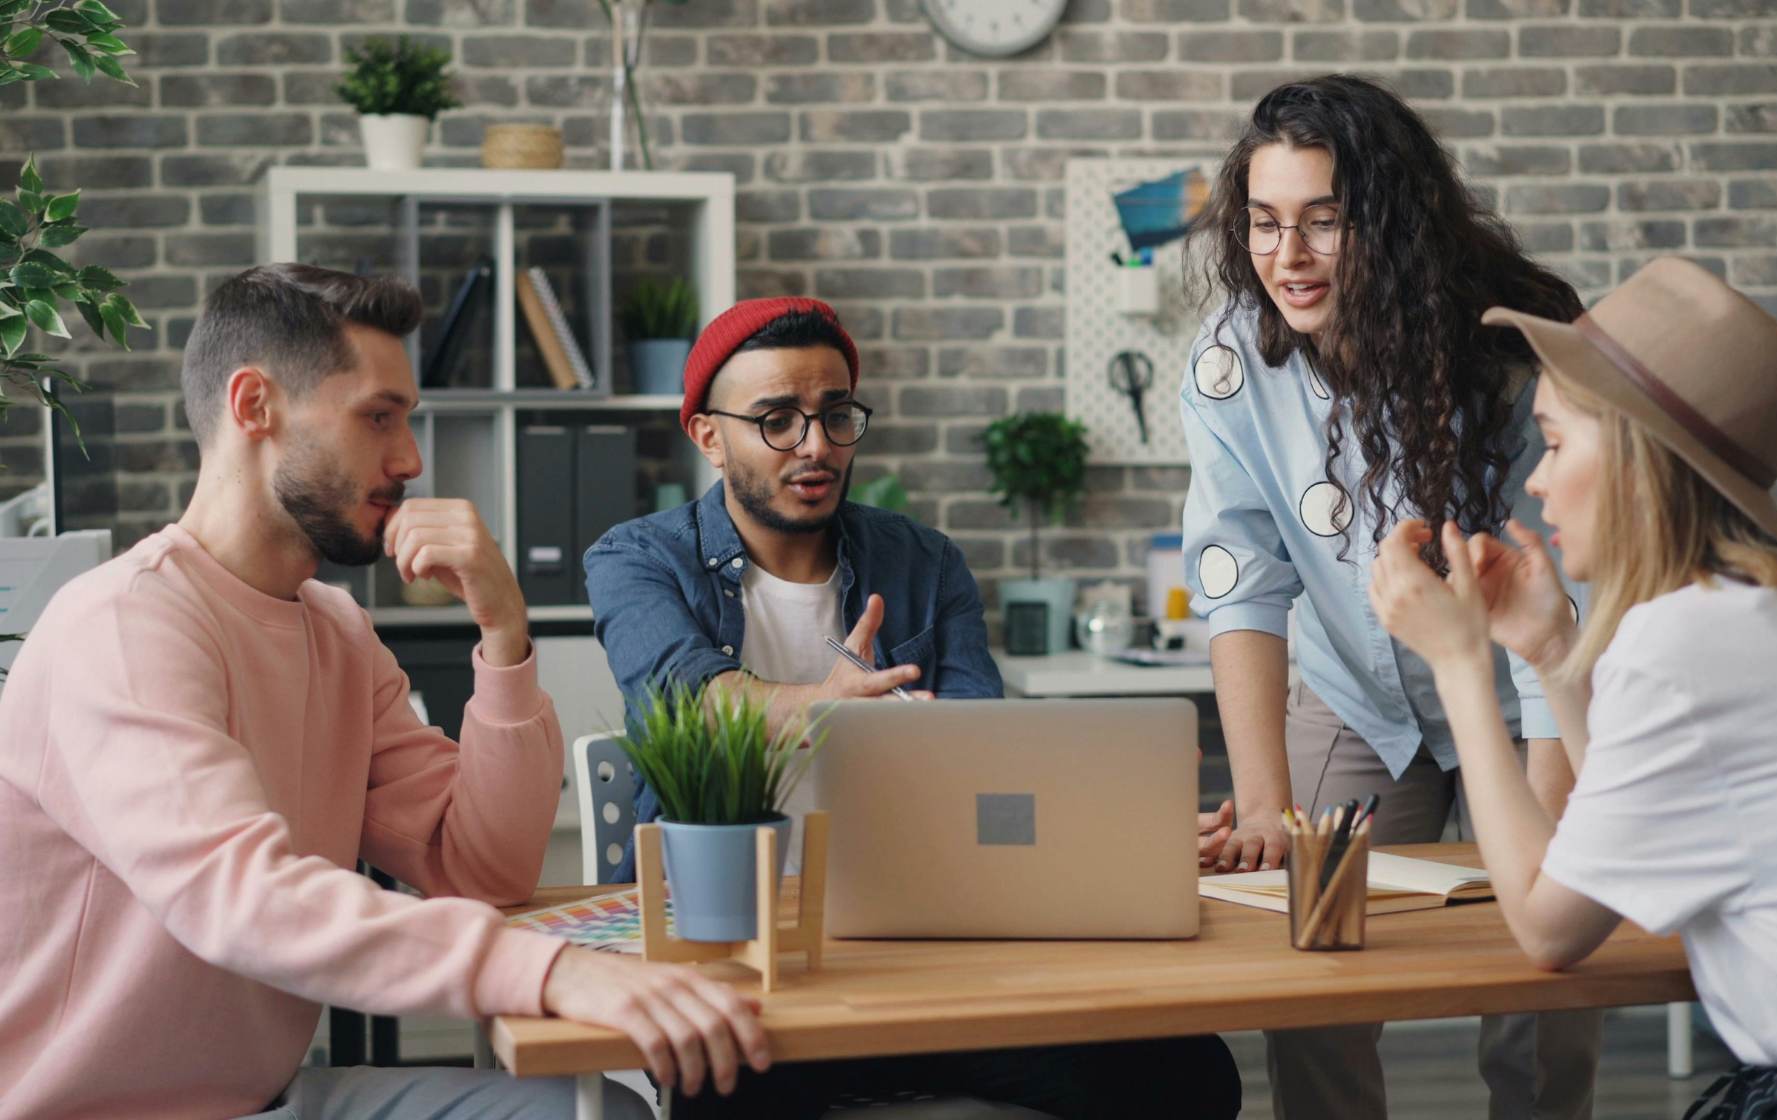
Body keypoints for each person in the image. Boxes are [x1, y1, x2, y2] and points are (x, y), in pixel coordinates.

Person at [0, 264, 769, 1120]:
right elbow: (243, 899)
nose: (409, 459)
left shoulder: (335, 631)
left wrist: (506, 635)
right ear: (254, 406)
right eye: (378, 418)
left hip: (267, 1098)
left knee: (598, 1114)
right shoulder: (123, 624)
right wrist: (554, 969)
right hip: (93, 1112)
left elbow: (483, 868)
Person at [586, 296, 1241, 1119]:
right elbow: (684, 701)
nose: (817, 445)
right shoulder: (636, 559)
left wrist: (1117, 841)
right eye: (777, 420)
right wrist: (826, 709)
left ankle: (885, 1062)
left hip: (917, 951)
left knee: (1193, 1073)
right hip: (730, 958)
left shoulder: (926, 563)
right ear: (708, 436)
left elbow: (989, 772)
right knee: (734, 1079)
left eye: (835, 415)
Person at [1178, 75, 1601, 1119]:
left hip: (1517, 688)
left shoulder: (1515, 347)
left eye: (1325, 223)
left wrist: (1550, 796)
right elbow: (1238, 575)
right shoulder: (1234, 358)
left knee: (1543, 977)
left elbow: (1555, 593)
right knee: (1313, 965)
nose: (1289, 257)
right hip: (1349, 695)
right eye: (1266, 224)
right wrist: (1267, 796)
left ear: (1395, 224)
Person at [1368, 257, 1777, 1119]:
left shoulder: (1677, 644)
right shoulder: (1749, 615)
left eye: (1556, 442)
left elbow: (1551, 926)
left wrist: (1457, 665)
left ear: (1638, 462)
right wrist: (1549, 647)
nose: (1533, 477)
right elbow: (1632, 828)